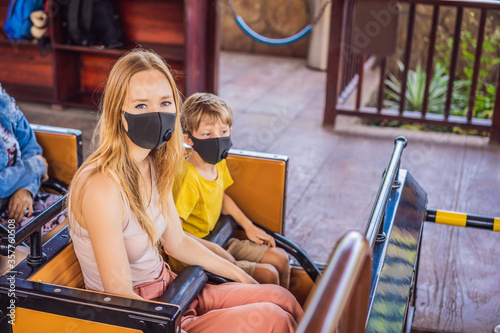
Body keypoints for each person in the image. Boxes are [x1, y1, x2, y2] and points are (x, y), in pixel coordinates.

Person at [67, 49, 303, 332]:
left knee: (282, 299)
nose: (157, 114)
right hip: (149, 315)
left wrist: (239, 275)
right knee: (272, 318)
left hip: (175, 289)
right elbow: (119, 294)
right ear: (119, 114)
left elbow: (176, 242)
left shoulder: (156, 163)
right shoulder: (101, 187)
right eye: (141, 105)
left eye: (165, 102)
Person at [172, 92, 290, 288]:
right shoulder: (188, 178)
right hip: (194, 254)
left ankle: (291, 313)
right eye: (207, 134)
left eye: (223, 132)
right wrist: (214, 252)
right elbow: (175, 233)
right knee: (269, 274)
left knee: (281, 259)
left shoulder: (217, 162)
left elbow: (222, 197)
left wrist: (248, 226)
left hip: (217, 238)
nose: (217, 139)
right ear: (189, 139)